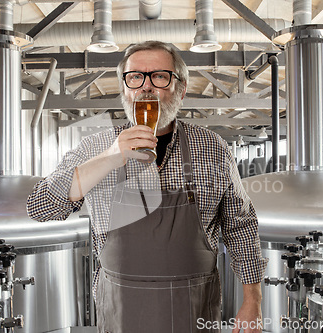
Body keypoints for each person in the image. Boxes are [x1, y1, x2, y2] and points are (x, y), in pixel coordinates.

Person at [27, 40, 268, 333]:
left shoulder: (212, 148)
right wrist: (110, 157)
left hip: (193, 313)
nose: (146, 87)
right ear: (125, 90)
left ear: (180, 88)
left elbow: (240, 225)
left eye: (159, 76)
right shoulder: (95, 146)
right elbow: (41, 207)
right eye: (135, 77)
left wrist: (252, 300)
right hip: (121, 314)